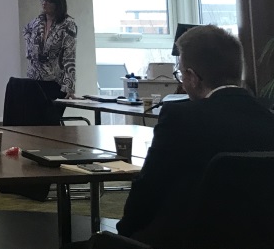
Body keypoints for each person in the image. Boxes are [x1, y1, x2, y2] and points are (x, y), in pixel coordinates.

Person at [117, 25, 274, 247]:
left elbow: (149, 189)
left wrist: (123, 233)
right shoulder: (268, 119)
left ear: (192, 77)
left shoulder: (180, 118)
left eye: (180, 74)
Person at [23, 0, 77, 99]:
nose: (44, 3)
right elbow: (25, 31)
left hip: (55, 80)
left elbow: (69, 56)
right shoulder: (37, 22)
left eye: (48, 1)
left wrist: (69, 86)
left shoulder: (67, 24)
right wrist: (31, 52)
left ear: (58, 4)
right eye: (43, 0)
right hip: (34, 78)